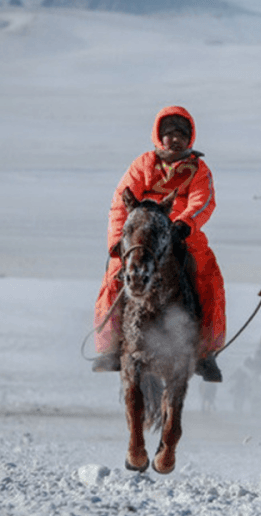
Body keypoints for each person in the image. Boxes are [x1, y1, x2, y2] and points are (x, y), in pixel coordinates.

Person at [92, 106, 226, 382]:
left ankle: (205, 351)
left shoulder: (199, 169)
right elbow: (121, 202)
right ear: (158, 136)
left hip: (181, 232)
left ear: (190, 138)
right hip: (141, 231)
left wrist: (185, 224)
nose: (175, 139)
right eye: (169, 134)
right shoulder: (143, 164)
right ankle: (109, 347)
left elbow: (203, 201)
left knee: (208, 275)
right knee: (115, 273)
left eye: (181, 133)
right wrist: (118, 241)